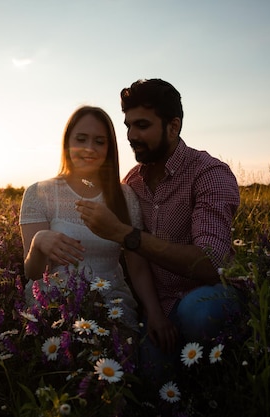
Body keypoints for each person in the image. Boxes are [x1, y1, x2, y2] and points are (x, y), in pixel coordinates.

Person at [76, 79, 241, 388]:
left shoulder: (209, 174)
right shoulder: (132, 183)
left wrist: (125, 234)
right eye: (128, 126)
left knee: (197, 313)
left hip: (207, 295)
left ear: (173, 126)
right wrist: (152, 312)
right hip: (157, 306)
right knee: (152, 382)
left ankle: (227, 372)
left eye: (142, 125)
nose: (131, 136)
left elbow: (210, 263)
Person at [19, 105, 166, 333]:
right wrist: (39, 242)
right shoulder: (39, 193)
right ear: (67, 143)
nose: (89, 148)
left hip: (112, 303)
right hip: (55, 304)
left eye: (99, 141)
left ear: (109, 148)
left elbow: (137, 269)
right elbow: (32, 273)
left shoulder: (125, 197)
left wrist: (155, 314)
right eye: (81, 139)